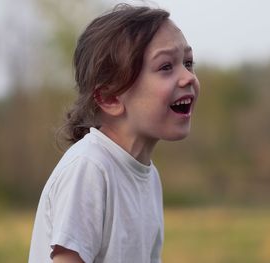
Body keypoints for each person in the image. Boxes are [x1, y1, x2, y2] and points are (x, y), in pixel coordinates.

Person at [29, 3, 200, 263]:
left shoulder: (149, 177)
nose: (187, 76)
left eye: (188, 63)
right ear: (109, 98)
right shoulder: (89, 168)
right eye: (166, 67)